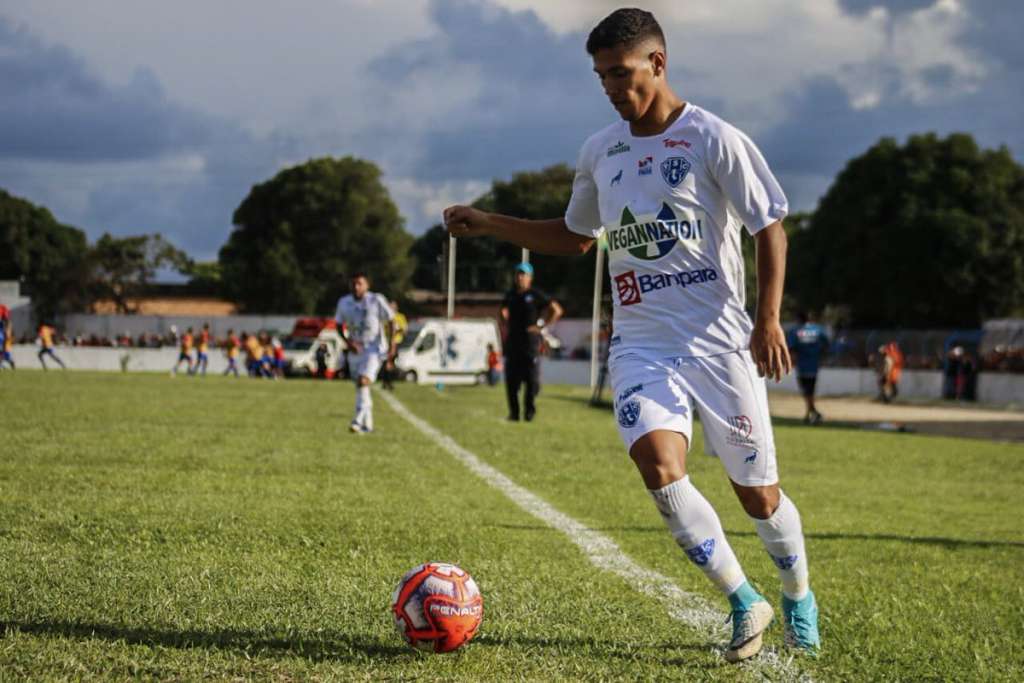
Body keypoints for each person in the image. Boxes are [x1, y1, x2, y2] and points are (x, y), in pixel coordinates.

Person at [443, 9, 818, 660]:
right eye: (601, 77)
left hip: (721, 343)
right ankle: (742, 599)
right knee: (658, 465)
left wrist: (767, 319)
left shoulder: (713, 138)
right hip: (642, 344)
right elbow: (574, 236)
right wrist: (490, 222)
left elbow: (770, 227)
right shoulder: (601, 151)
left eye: (621, 72)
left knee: (757, 496)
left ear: (658, 63)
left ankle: (796, 591)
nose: (613, 88)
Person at [499, 263, 563, 421]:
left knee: (531, 381)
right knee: (511, 381)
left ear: (530, 278)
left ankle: (529, 413)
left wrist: (541, 325)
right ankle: (514, 414)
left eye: (523, 274)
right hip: (513, 343)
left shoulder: (535, 295)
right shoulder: (510, 294)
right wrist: (504, 319)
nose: (520, 277)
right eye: (518, 274)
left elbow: (557, 310)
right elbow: (503, 311)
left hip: (530, 344)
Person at [335, 272, 395, 434]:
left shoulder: (376, 300)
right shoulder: (344, 302)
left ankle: (357, 420)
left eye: (360, 284)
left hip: (374, 349)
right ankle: (368, 426)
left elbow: (391, 320)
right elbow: (338, 325)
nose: (356, 287)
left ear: (367, 285)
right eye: (353, 284)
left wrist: (392, 345)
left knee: (363, 381)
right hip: (356, 349)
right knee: (361, 387)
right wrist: (348, 343)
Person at [787, 312, 830, 424]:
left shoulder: (795, 331)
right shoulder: (818, 330)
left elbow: (791, 348)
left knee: (806, 391)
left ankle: (812, 412)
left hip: (802, 366)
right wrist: (821, 354)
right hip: (814, 365)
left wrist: (791, 361)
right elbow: (827, 344)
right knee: (810, 390)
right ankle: (810, 413)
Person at [381, 301, 408, 390]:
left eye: (392, 307)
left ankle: (389, 381)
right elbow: (383, 329)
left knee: (391, 362)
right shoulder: (385, 317)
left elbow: (405, 330)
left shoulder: (400, 317)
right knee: (386, 362)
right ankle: (386, 382)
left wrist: (397, 330)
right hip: (386, 342)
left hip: (396, 342)